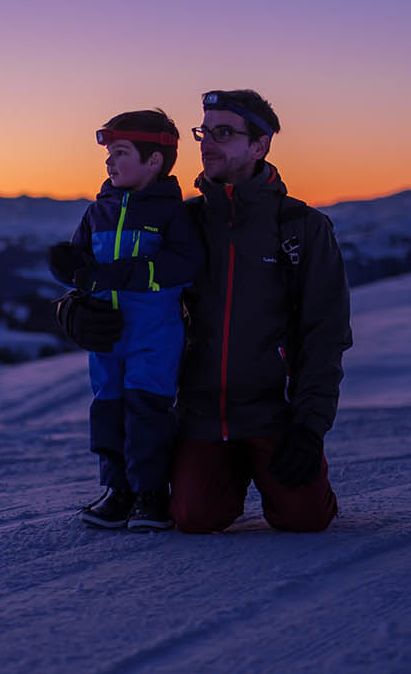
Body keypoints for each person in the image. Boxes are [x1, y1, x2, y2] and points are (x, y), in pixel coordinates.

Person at [55, 90, 352, 532]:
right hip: (200, 417)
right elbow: (118, 281)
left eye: (224, 133)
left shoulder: (301, 228)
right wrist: (72, 311)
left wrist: (309, 428)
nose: (208, 143)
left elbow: (325, 334)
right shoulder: (182, 220)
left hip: (273, 414)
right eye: (204, 132)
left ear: (259, 145)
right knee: (195, 516)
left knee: (304, 517)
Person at [48, 109, 203, 531]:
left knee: (146, 411)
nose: (109, 162)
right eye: (109, 154)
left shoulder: (172, 215)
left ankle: (151, 494)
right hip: (106, 333)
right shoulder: (97, 212)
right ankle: (118, 491)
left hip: (153, 335)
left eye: (120, 152)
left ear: (154, 161)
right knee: (108, 410)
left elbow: (183, 266)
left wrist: (115, 275)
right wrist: (67, 273)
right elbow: (82, 268)